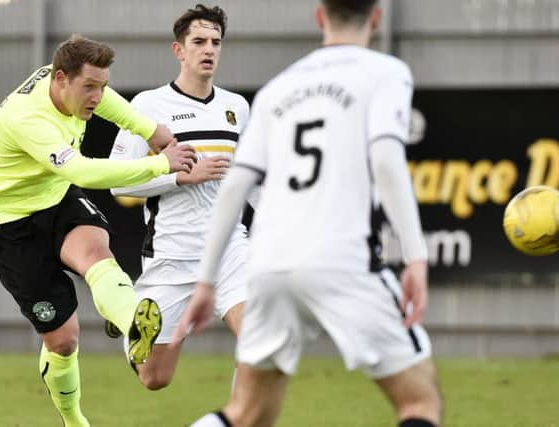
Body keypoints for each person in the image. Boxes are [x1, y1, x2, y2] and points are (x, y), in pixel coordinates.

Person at [174, 1, 444, 426]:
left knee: (246, 414)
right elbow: (388, 161)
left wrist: (207, 279)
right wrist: (416, 257)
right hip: (343, 258)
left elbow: (236, 187)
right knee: (420, 403)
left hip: (269, 264)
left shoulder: (278, 90)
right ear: (376, 17)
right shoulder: (385, 72)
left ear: (320, 16)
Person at [0, 34, 196, 427]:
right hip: (8, 225)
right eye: (88, 87)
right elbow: (82, 171)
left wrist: (150, 130)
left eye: (102, 85)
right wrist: (161, 164)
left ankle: (131, 324)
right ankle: (74, 420)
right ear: (61, 79)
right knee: (64, 340)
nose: (96, 96)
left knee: (97, 254)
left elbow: (105, 102)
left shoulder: (72, 85)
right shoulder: (26, 118)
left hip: (55, 199)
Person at [108, 4, 252, 391]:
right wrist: (177, 177)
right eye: (199, 41)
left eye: (216, 42)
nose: (209, 50)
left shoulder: (236, 108)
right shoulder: (148, 106)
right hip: (173, 252)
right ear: (179, 50)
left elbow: (248, 180)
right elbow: (119, 184)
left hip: (229, 249)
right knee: (155, 378)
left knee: (258, 339)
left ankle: (239, 417)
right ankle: (128, 318)